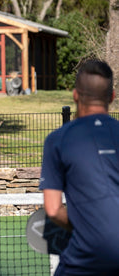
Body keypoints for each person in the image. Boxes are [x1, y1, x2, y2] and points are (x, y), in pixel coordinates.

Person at [40, 59, 119, 275]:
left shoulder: (57, 140)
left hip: (83, 262)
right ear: (111, 97)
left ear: (75, 95)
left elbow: (54, 210)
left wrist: (87, 225)